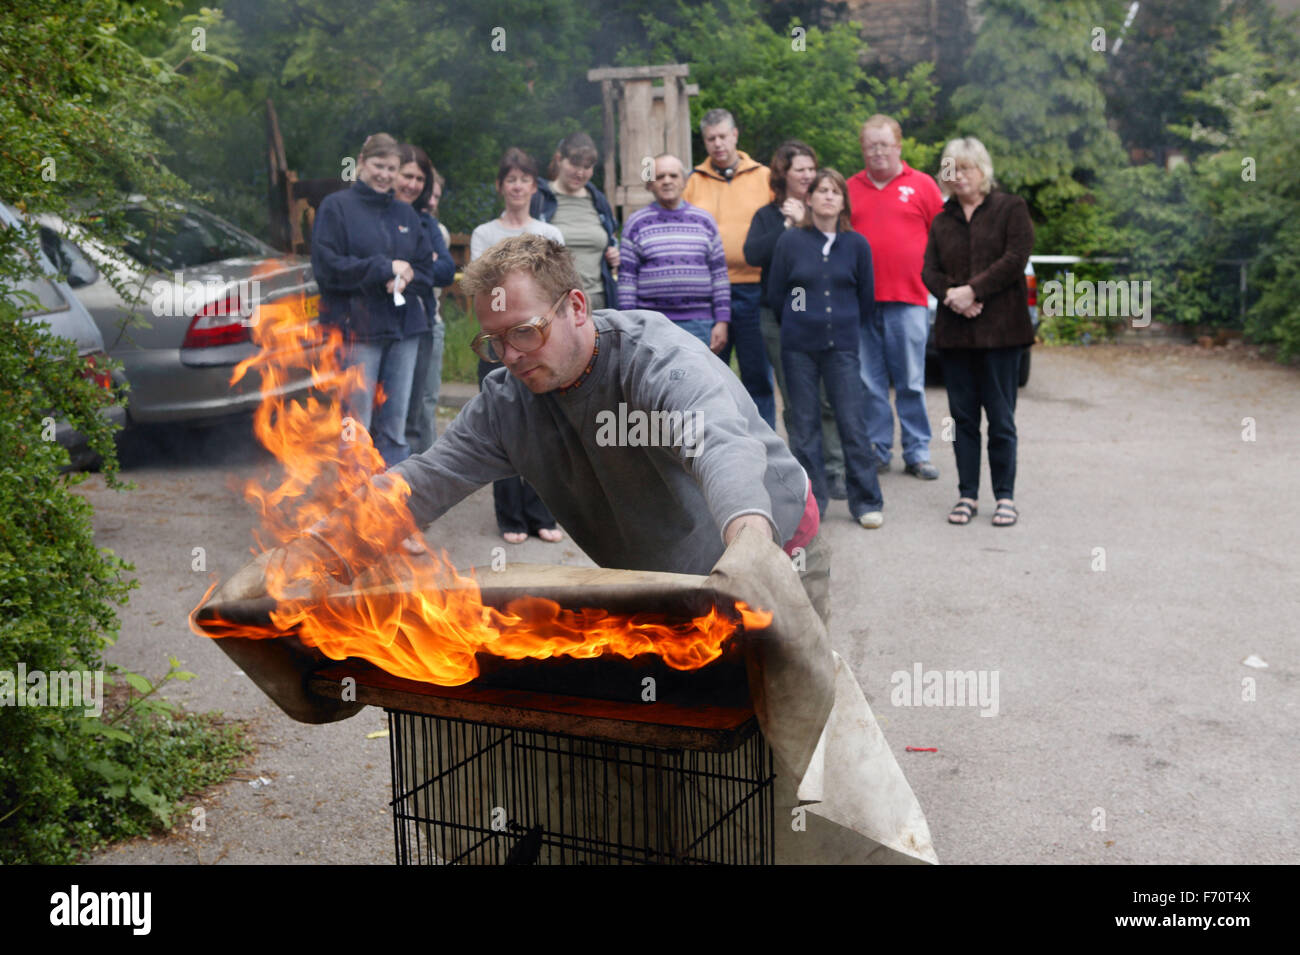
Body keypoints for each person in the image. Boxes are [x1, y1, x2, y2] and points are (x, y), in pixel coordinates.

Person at [921, 137, 1034, 528]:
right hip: (956, 336)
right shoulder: (941, 219)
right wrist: (954, 296)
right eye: (951, 169)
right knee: (963, 420)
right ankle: (967, 494)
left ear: (982, 170)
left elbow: (1016, 258)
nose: (959, 176)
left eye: (966, 167)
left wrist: (974, 289)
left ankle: (1005, 496)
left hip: (1002, 334)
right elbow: (929, 271)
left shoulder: (1010, 208)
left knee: (1001, 419)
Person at [768, 170, 884, 529]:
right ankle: (812, 503)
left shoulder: (857, 245)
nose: (828, 197)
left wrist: (838, 322)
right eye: (821, 191)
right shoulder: (791, 241)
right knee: (804, 426)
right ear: (810, 199)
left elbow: (865, 299)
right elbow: (777, 295)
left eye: (835, 191)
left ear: (844, 201)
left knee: (852, 422)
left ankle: (865, 500)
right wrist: (804, 317)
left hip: (842, 348)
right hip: (799, 348)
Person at [311, 133, 435, 468]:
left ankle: (391, 508)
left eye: (392, 169)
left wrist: (408, 276)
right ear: (362, 163)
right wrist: (381, 269)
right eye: (379, 166)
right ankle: (351, 505)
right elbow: (327, 268)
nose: (385, 175)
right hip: (356, 332)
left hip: (404, 331)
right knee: (355, 425)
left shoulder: (405, 214)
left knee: (394, 428)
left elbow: (427, 269)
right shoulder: (336, 207)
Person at [469, 148, 566, 545]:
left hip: (541, 345)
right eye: (511, 179)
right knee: (504, 426)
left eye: (525, 179)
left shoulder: (551, 234)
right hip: (497, 346)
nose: (518, 186)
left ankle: (542, 512)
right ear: (500, 186)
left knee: (546, 429)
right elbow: (480, 290)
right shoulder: (484, 234)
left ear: (534, 186)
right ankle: (509, 515)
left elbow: (556, 291)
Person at [743, 140, 846, 498]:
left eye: (810, 168)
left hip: (824, 317)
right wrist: (787, 223)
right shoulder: (768, 215)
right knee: (796, 400)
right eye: (799, 169)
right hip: (781, 318)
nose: (807, 175)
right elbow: (753, 254)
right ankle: (806, 474)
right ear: (783, 174)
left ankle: (836, 470)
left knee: (829, 397)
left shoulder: (827, 208)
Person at [847, 115, 945, 480]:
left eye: (884, 144)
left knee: (911, 381)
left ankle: (918, 451)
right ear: (862, 149)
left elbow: (944, 237)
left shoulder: (922, 185)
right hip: (861, 303)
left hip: (909, 299)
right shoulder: (847, 188)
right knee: (869, 383)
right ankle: (878, 448)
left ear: (898, 147)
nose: (877, 151)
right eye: (870, 145)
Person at [682, 108, 776, 428]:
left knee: (757, 372)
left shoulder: (764, 176)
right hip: (707, 291)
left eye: (723, 136)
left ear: (735, 135)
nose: (718, 144)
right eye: (711, 139)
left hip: (754, 286)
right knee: (711, 373)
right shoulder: (693, 181)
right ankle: (720, 443)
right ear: (704, 142)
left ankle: (766, 444)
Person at [618, 154, 729, 352]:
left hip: (700, 323)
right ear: (651, 184)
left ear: (684, 181)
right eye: (660, 177)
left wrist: (722, 320)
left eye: (673, 175)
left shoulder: (704, 221)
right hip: (651, 324)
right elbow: (627, 280)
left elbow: (719, 275)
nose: (667, 181)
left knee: (697, 381)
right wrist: (629, 324)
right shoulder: (635, 223)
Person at [396, 145, 456, 456]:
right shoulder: (372, 215)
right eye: (407, 175)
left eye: (420, 179)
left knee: (418, 410)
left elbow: (446, 270)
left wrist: (409, 271)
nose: (413, 184)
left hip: (422, 324)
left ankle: (419, 486)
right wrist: (417, 266)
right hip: (378, 328)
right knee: (386, 411)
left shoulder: (427, 223)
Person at [530, 132, 620, 310]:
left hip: (597, 300)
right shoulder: (538, 199)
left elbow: (611, 239)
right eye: (574, 164)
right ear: (559, 159)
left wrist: (614, 253)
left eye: (587, 166)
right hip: (553, 301)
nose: (580, 172)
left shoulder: (599, 201)